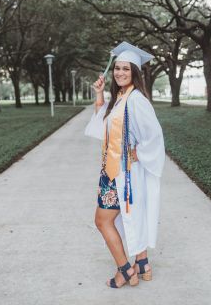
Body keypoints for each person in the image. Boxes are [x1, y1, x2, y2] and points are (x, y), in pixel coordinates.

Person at [84, 43, 166, 288]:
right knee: (130, 216)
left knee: (102, 221)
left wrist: (138, 153)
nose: (119, 72)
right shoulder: (121, 97)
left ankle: (126, 270)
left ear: (134, 73)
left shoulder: (137, 100)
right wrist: (99, 95)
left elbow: (155, 135)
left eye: (125, 69)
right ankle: (143, 265)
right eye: (117, 68)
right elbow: (103, 125)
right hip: (111, 172)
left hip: (122, 173)